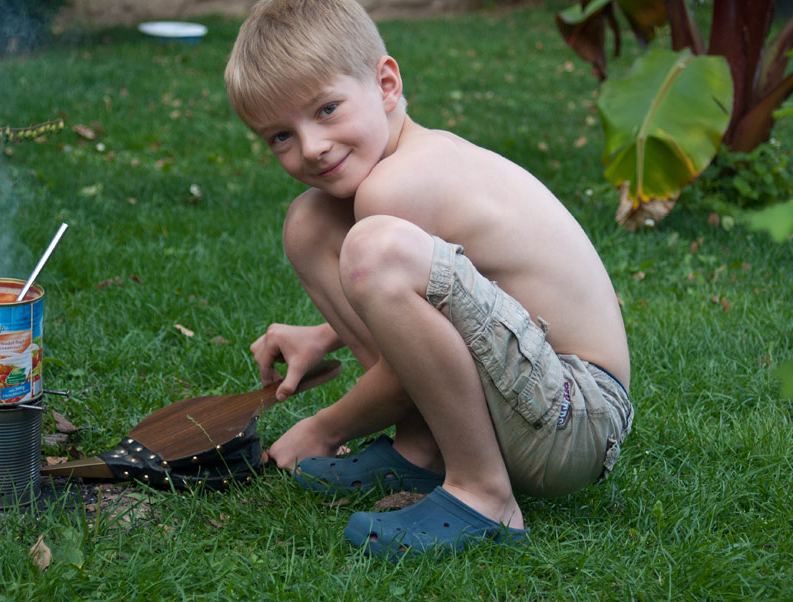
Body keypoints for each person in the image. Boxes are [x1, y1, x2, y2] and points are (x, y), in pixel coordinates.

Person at [224, 0, 633, 560]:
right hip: (529, 393)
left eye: (326, 109)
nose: (311, 147)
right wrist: (324, 334)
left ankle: (483, 494)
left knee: (374, 249)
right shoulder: (404, 170)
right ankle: (422, 452)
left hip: (575, 413)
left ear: (386, 83)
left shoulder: (399, 185)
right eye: (280, 137)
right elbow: (450, 303)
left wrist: (325, 426)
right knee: (310, 221)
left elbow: (410, 330)